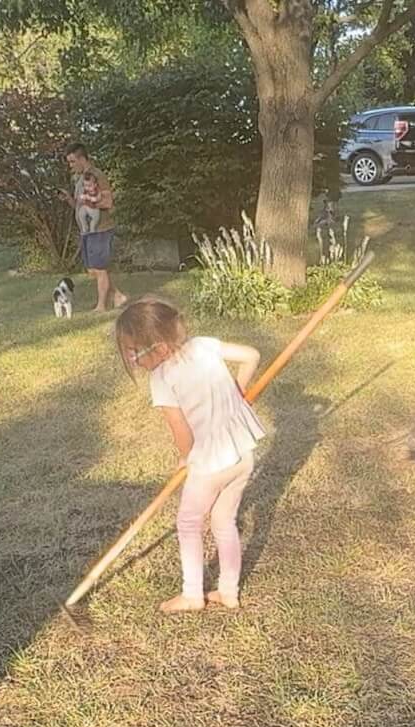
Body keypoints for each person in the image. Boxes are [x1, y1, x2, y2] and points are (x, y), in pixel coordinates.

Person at [115, 298, 265, 615]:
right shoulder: (203, 345)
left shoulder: (162, 379)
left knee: (188, 523)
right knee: (224, 521)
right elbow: (252, 356)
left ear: (154, 346)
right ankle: (228, 592)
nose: (132, 359)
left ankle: (192, 595)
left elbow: (179, 427)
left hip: (209, 463)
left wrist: (186, 458)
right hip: (242, 453)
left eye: (133, 351)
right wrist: (238, 392)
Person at [62, 142, 126, 314]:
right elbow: (81, 205)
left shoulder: (97, 176)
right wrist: (70, 199)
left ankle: (101, 306)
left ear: (82, 158)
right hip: (87, 230)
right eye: (69, 162)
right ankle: (118, 295)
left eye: (73, 161)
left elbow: (107, 202)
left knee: (99, 268)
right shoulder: (79, 179)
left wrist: (90, 201)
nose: (71, 165)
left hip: (100, 229)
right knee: (93, 270)